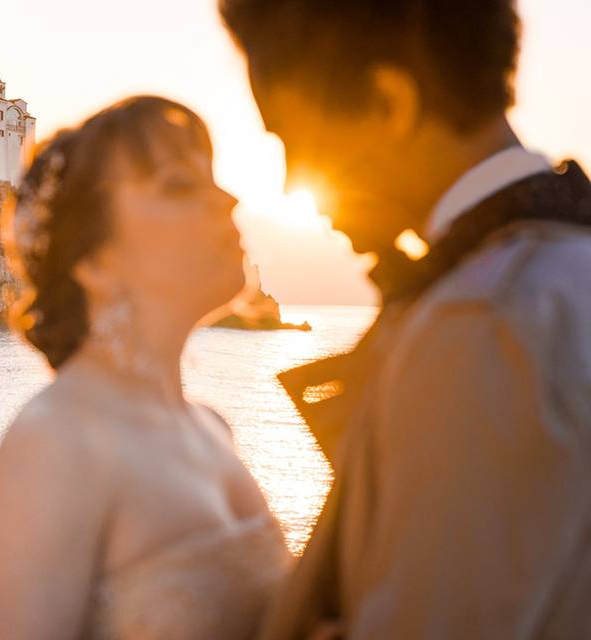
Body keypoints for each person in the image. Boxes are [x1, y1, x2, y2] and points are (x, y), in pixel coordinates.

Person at [220, 0, 591, 637]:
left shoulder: (482, 324)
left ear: (388, 104)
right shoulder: (556, 267)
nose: (288, 183)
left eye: (291, 138)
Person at [0, 97, 292, 640]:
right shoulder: (54, 443)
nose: (227, 199)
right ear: (95, 260)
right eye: (179, 185)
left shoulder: (213, 428)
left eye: (212, 179)